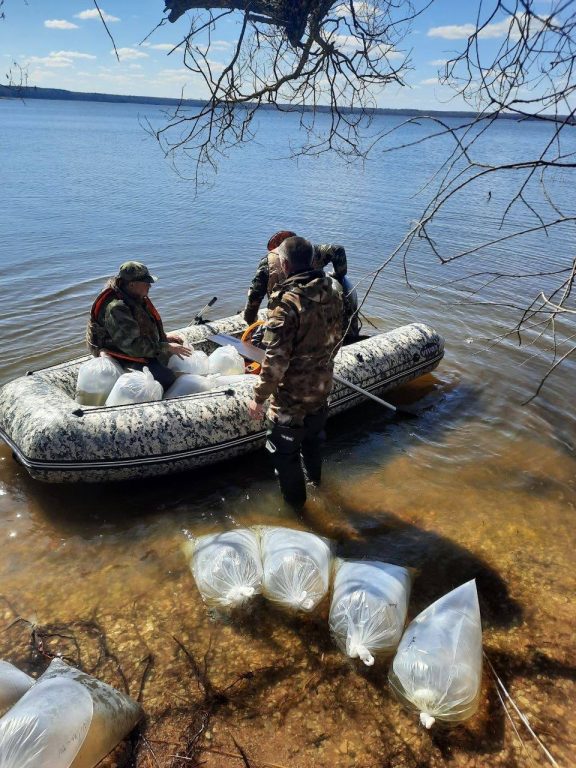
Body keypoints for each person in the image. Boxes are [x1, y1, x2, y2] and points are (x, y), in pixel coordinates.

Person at [248, 236, 344, 509]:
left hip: (291, 401)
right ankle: (317, 486)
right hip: (321, 390)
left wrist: (258, 397)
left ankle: (299, 514)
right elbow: (338, 338)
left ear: (285, 265)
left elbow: (276, 360)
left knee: (284, 456)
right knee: (313, 444)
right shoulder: (333, 292)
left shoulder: (286, 304)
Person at [86, 261, 191, 390]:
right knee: (166, 378)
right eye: (146, 283)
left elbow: (143, 325)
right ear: (132, 284)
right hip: (120, 351)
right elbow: (133, 347)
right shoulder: (117, 308)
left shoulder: (134, 295)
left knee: (175, 345)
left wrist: (164, 337)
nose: (150, 286)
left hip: (131, 344)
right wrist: (165, 346)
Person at [243, 230, 359, 340]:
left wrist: (251, 322)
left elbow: (254, 297)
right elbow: (338, 250)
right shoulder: (312, 251)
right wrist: (338, 275)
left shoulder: (267, 263)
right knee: (342, 283)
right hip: (318, 312)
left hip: (286, 317)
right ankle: (350, 334)